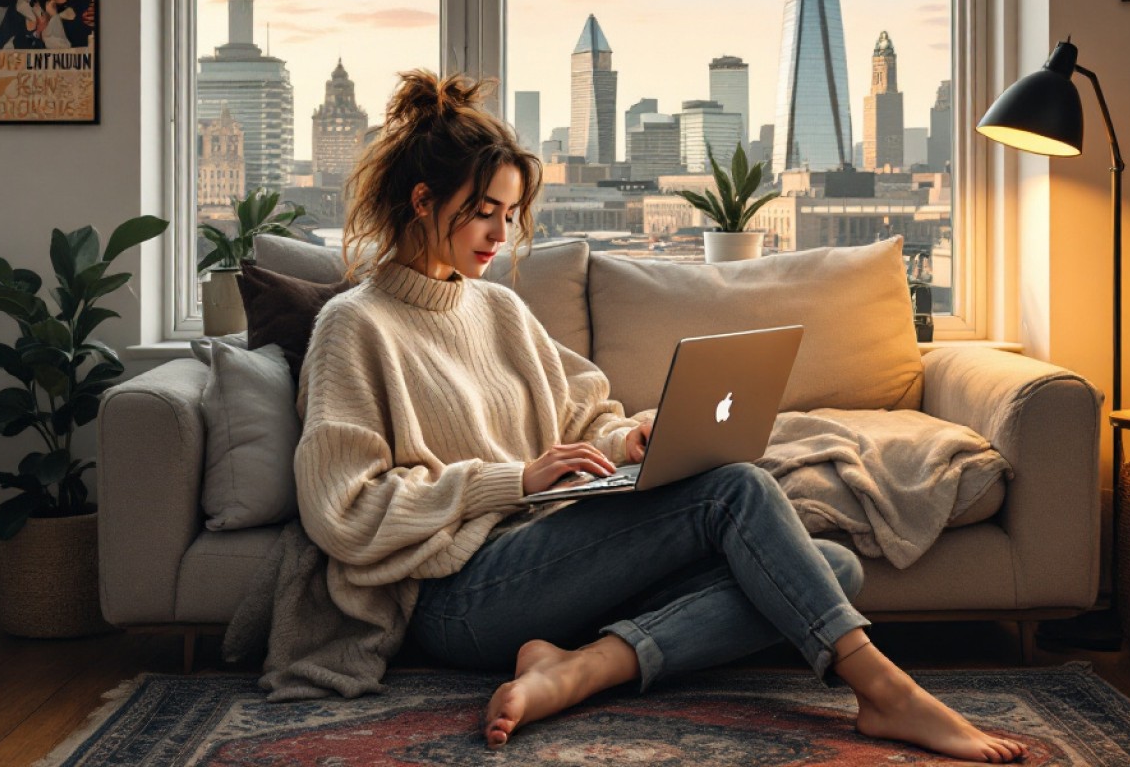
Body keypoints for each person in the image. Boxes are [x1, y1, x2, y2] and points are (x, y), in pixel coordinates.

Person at [295, 68, 1028, 764]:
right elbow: (343, 511)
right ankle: (887, 691)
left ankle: (578, 670)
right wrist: (511, 480)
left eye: (510, 215)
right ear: (423, 200)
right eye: (482, 212)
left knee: (829, 571)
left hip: (550, 566)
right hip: (456, 598)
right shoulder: (354, 326)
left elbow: (585, 413)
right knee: (735, 491)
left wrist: (626, 439)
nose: (499, 234)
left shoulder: (497, 308)